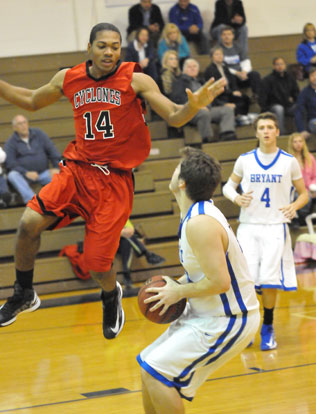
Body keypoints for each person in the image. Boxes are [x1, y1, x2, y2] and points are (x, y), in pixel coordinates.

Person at [0, 23, 225, 338]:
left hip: (114, 182)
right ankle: (24, 292)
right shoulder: (69, 77)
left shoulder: (136, 81)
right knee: (27, 223)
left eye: (115, 46)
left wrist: (193, 106)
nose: (109, 52)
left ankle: (110, 294)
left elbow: (174, 115)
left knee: (97, 264)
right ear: (89, 47)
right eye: (103, 46)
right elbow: (30, 100)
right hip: (77, 171)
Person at [137, 146, 260, 412]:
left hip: (229, 318)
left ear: (181, 183)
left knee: (158, 373)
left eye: (176, 169)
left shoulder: (200, 223)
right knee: (148, 366)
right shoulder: (195, 212)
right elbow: (203, 271)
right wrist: (176, 284)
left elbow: (220, 282)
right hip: (208, 313)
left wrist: (178, 293)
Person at [222, 112, 308, 351]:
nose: (267, 131)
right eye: (262, 127)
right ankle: (249, 327)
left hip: (274, 227)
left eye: (271, 127)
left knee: (269, 281)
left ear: (277, 132)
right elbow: (228, 186)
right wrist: (236, 197)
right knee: (247, 280)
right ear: (256, 132)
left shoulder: (288, 161)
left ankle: (268, 327)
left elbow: (303, 194)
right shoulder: (245, 160)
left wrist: (294, 206)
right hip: (248, 227)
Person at [170, 58, 236, 142]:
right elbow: (177, 99)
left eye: (194, 66)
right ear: (184, 70)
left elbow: (210, 97)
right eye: (189, 67)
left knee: (227, 110)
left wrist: (223, 104)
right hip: (191, 111)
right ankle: (207, 139)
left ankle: (227, 134)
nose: (192, 68)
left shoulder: (201, 81)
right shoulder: (179, 82)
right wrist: (196, 106)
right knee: (203, 113)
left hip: (208, 108)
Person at [4, 115, 61, 204]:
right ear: (14, 128)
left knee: (60, 174)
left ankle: (59, 202)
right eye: (19, 124)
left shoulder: (39, 134)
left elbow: (52, 151)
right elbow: (10, 163)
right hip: (23, 175)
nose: (23, 125)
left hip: (43, 173)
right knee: (12, 175)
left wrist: (56, 167)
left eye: (24, 122)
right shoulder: (10, 142)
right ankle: (33, 201)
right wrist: (25, 172)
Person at [204, 46, 250, 123]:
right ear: (212, 57)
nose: (220, 56)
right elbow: (215, 88)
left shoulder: (225, 67)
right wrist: (231, 92)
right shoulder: (210, 70)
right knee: (236, 102)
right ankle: (234, 118)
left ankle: (240, 117)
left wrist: (235, 90)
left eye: (221, 54)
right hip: (221, 95)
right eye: (217, 54)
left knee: (245, 98)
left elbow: (232, 81)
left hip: (229, 93)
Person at [117, 219, 165, 290]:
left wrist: (118, 232)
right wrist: (121, 232)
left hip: (123, 242)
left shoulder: (121, 215)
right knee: (128, 237)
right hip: (109, 244)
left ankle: (126, 275)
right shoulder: (103, 216)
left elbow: (130, 231)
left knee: (127, 242)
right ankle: (147, 254)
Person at [259, 57, 299, 135]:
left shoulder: (290, 78)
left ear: (285, 65)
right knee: (279, 109)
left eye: (282, 64)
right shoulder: (267, 80)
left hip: (288, 106)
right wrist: (266, 108)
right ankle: (281, 133)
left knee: (299, 106)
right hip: (273, 106)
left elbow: (296, 93)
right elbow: (263, 98)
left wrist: (294, 100)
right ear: (274, 66)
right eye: (277, 64)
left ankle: (300, 132)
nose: (280, 66)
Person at [219, 25, 261, 101]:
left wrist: (244, 72)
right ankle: (238, 98)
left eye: (229, 34)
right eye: (224, 35)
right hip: (231, 76)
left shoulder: (238, 47)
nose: (226, 37)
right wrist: (237, 73)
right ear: (221, 36)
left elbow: (245, 61)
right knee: (231, 76)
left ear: (233, 36)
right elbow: (222, 66)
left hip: (242, 75)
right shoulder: (219, 49)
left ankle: (256, 96)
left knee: (255, 74)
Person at [288, 132, 316, 226]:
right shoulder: (288, 159)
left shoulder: (310, 157)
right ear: (291, 144)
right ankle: (302, 219)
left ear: (303, 143)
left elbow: (315, 176)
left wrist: (313, 188)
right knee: (299, 196)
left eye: (300, 141)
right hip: (295, 190)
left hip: (309, 188)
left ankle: (307, 217)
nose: (298, 144)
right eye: (295, 142)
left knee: (310, 195)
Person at [295, 67, 316, 139]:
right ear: (309, 78)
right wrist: (302, 129)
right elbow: (299, 111)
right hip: (313, 121)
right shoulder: (304, 93)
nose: (315, 77)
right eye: (312, 75)